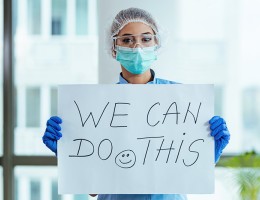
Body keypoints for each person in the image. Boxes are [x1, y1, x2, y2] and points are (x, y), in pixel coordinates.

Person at [42, 7, 231, 200]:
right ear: (114, 47)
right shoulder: (96, 107)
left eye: (146, 38)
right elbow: (94, 189)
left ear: (156, 43)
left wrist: (209, 153)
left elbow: (189, 174)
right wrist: (68, 153)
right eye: (127, 40)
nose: (137, 47)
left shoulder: (183, 101)